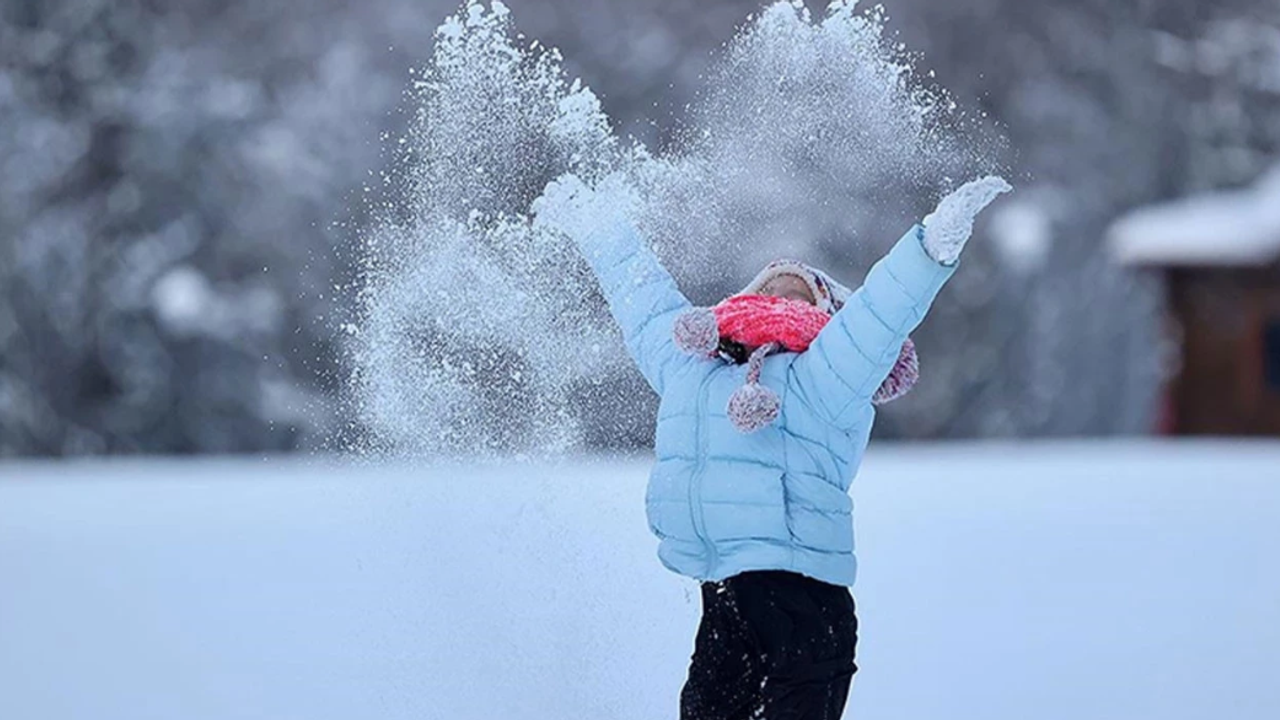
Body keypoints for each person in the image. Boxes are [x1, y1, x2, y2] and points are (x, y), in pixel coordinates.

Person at [533, 173, 1011, 720]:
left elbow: (879, 315)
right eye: (768, 287)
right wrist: (599, 228)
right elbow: (644, 302)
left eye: (799, 291)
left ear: (829, 316)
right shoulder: (693, 366)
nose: (778, 294)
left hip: (806, 602)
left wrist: (929, 248)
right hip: (725, 596)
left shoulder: (827, 374)